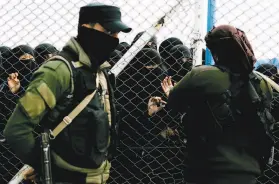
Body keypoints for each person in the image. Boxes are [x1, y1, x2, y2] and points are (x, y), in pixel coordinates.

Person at [4, 3, 131, 184]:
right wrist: (44, 166)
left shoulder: (100, 72)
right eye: (109, 32)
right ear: (87, 28)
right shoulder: (58, 71)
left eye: (117, 34)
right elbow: (17, 130)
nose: (115, 38)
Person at [148, 25, 275, 184]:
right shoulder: (262, 82)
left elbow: (174, 105)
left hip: (208, 170)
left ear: (216, 52)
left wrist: (170, 93)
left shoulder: (201, 75)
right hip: (249, 171)